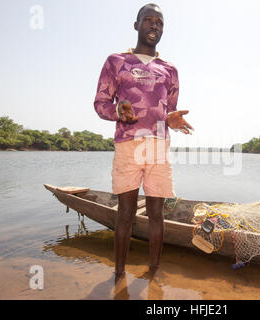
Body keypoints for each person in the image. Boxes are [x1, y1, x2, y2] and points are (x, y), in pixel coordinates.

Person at [94, 3, 193, 277]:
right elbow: (101, 102)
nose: (154, 26)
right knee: (125, 212)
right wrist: (117, 110)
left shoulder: (169, 69)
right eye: (148, 21)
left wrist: (171, 118)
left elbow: (168, 109)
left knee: (156, 213)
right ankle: (119, 274)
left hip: (159, 146)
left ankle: (153, 273)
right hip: (128, 144)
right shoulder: (116, 61)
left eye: (159, 23)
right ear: (136, 25)